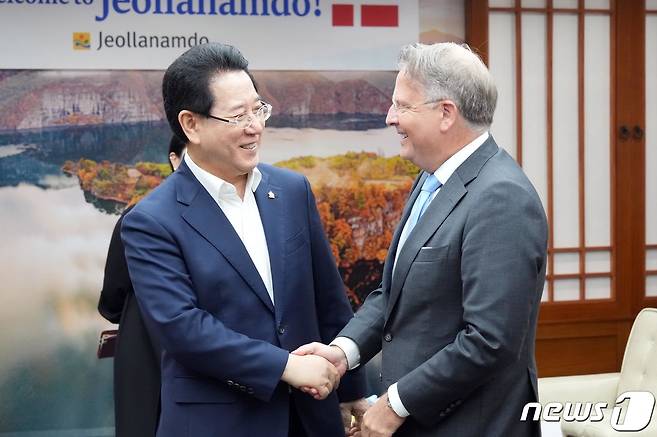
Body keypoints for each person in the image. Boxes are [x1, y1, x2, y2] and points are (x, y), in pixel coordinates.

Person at [295, 42, 548, 437]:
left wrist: (395, 404)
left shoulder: (502, 198)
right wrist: (342, 353)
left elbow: (491, 341)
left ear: (446, 113)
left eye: (402, 106)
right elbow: (394, 294)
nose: (389, 117)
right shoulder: (432, 178)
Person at [120, 42, 367, 437]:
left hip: (310, 416)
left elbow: (328, 296)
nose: (255, 126)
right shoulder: (151, 220)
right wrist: (285, 366)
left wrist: (352, 388)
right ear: (191, 125)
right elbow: (183, 329)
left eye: (258, 109)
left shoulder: (291, 190)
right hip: (219, 422)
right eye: (238, 116)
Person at [98, 134, 186, 437]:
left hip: (145, 346)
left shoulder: (140, 215)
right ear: (174, 160)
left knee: (144, 420)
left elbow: (112, 300)